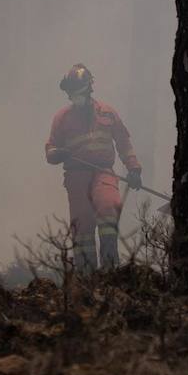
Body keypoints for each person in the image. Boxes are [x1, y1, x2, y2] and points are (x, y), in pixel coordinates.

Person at [45, 64, 142, 270]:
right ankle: (86, 278)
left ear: (88, 89)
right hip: (75, 177)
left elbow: (123, 142)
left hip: (103, 173)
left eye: (77, 92)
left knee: (109, 208)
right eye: (71, 94)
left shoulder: (108, 113)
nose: (74, 98)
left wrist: (134, 169)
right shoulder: (62, 118)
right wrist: (57, 154)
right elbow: (50, 150)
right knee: (82, 226)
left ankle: (110, 271)